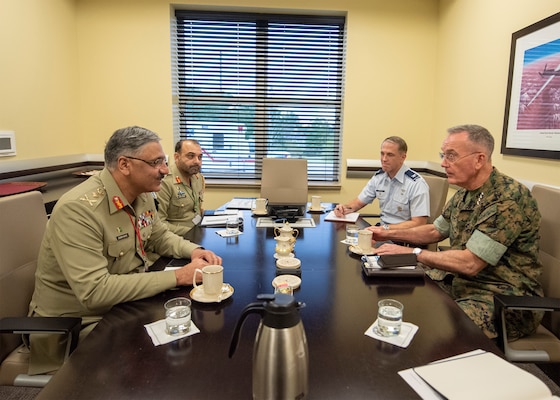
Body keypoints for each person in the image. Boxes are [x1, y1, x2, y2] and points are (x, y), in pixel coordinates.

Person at [28, 126, 222, 374]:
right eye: (156, 162)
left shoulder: (141, 195)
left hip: (122, 306)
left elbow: (160, 236)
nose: (164, 170)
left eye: (163, 161)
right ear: (124, 165)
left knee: (190, 333)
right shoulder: (78, 210)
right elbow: (95, 291)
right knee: (162, 363)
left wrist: (194, 251)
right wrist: (178, 275)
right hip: (80, 322)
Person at [370, 124, 543, 340]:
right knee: (400, 286)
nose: (443, 163)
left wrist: (412, 253)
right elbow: (435, 231)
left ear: (479, 159)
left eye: (451, 156)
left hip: (502, 298)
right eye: (443, 155)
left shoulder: (506, 198)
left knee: (434, 330)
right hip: (460, 282)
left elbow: (470, 263)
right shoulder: (466, 193)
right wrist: (386, 234)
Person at [334, 136, 430, 230]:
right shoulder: (379, 177)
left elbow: (418, 224)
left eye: (390, 155)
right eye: (382, 153)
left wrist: (384, 229)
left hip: (403, 238)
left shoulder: (416, 184)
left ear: (402, 157)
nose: (384, 159)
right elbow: (358, 202)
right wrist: (343, 208)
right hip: (383, 232)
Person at [157, 139, 205, 236]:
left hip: (198, 230)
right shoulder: (164, 182)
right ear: (176, 157)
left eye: (200, 157)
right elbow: (159, 224)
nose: (197, 161)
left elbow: (197, 210)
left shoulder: (197, 177)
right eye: (191, 156)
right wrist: (190, 232)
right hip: (177, 238)